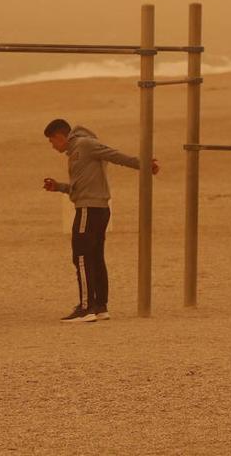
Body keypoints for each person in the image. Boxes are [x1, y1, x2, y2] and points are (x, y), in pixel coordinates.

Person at [41, 118, 159, 323]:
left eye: (52, 142)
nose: (53, 146)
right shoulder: (77, 151)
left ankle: (87, 308)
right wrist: (58, 186)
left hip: (90, 209)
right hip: (94, 207)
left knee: (81, 256)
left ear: (60, 136)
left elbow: (115, 155)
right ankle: (99, 306)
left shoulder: (84, 145)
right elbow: (80, 188)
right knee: (94, 256)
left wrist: (144, 164)